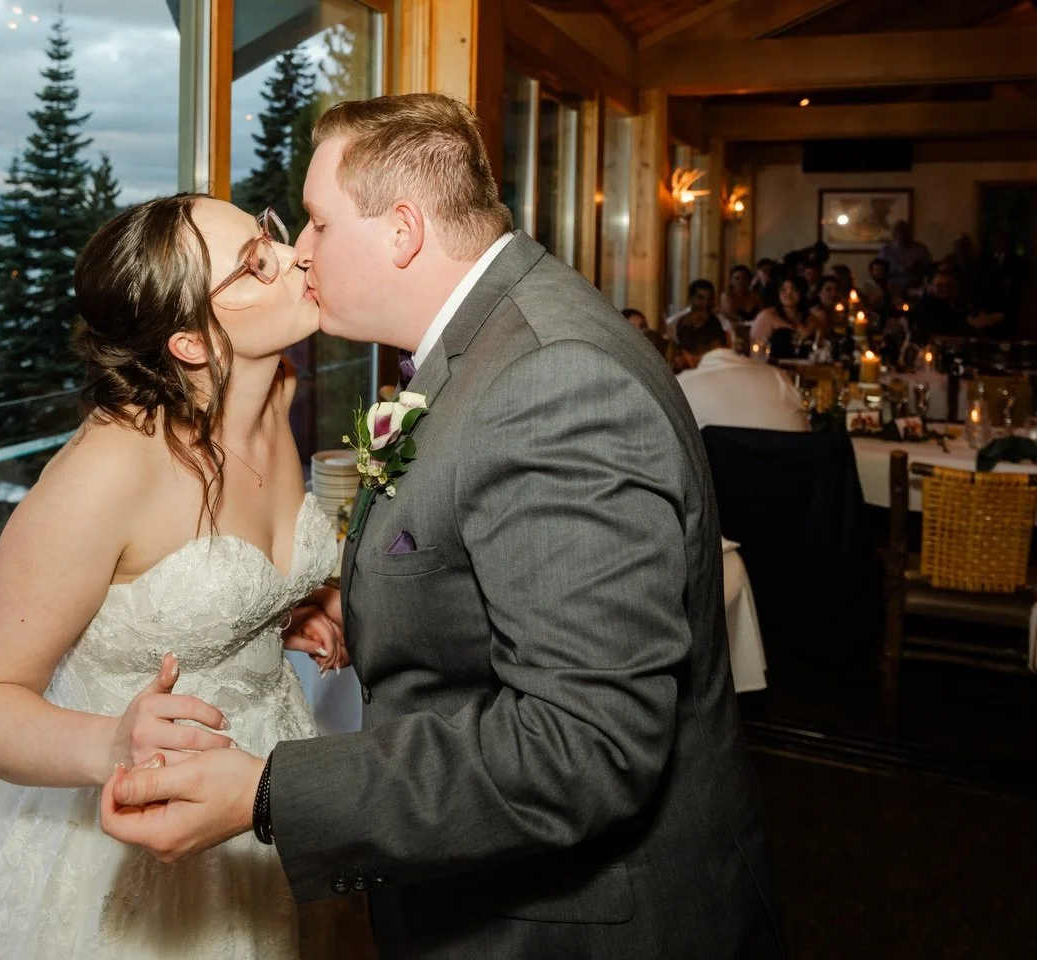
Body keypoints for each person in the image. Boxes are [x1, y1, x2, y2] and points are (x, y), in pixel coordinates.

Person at [101, 92, 784, 959]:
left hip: (585, 926)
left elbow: (583, 745)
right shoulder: (493, 336)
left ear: (402, 230)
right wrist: (380, 598)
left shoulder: (554, 382)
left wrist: (267, 796)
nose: (300, 251)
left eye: (315, 221)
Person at [0, 194, 369, 959]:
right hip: (137, 831)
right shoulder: (106, 471)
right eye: (255, 265)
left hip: (271, 780)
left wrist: (288, 606)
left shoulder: (275, 393)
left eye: (269, 237)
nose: (295, 258)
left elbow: (206, 574)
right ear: (189, 344)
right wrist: (111, 746)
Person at [674, 314, 808, 432]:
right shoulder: (778, 377)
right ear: (728, 338)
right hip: (791, 459)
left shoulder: (681, 388)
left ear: (687, 355)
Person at [750, 274, 822, 354]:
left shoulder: (812, 319)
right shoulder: (767, 316)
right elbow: (756, 347)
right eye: (783, 290)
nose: (789, 293)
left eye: (794, 289)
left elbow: (820, 347)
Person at [878, 219, 932, 298]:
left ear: (910, 233)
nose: (902, 235)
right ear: (894, 234)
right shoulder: (887, 250)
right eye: (898, 232)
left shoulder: (920, 249)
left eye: (904, 232)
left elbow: (929, 269)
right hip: (892, 287)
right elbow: (878, 270)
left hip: (915, 286)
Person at [664, 278, 729, 337]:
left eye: (709, 298)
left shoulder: (722, 322)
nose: (706, 303)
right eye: (700, 298)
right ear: (691, 298)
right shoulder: (674, 323)